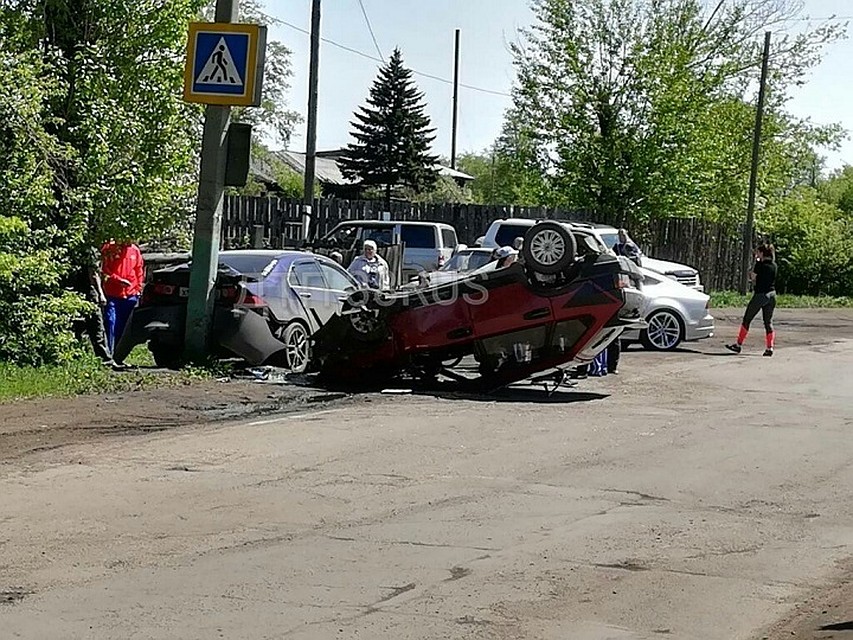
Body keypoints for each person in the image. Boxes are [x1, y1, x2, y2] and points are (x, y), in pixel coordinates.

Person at [726, 243, 777, 356]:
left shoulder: (760, 265)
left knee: (747, 319)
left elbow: (753, 277)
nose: (757, 255)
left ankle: (738, 344)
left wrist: (752, 273)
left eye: (758, 253)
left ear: (762, 253)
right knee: (768, 322)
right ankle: (770, 347)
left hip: (760, 295)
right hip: (772, 294)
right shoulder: (774, 265)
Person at [101, 239, 145, 356]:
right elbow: (104, 270)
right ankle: (108, 353)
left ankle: (118, 355)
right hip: (112, 294)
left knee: (124, 326)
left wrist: (138, 289)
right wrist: (117, 280)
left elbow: (139, 270)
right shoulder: (110, 248)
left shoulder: (135, 250)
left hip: (130, 295)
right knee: (111, 321)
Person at [71, 247, 113, 366]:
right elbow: (93, 274)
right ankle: (106, 359)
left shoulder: (74, 251)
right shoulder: (91, 251)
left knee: (77, 327)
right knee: (97, 327)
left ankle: (76, 356)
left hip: (74, 293)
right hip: (89, 293)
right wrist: (101, 293)